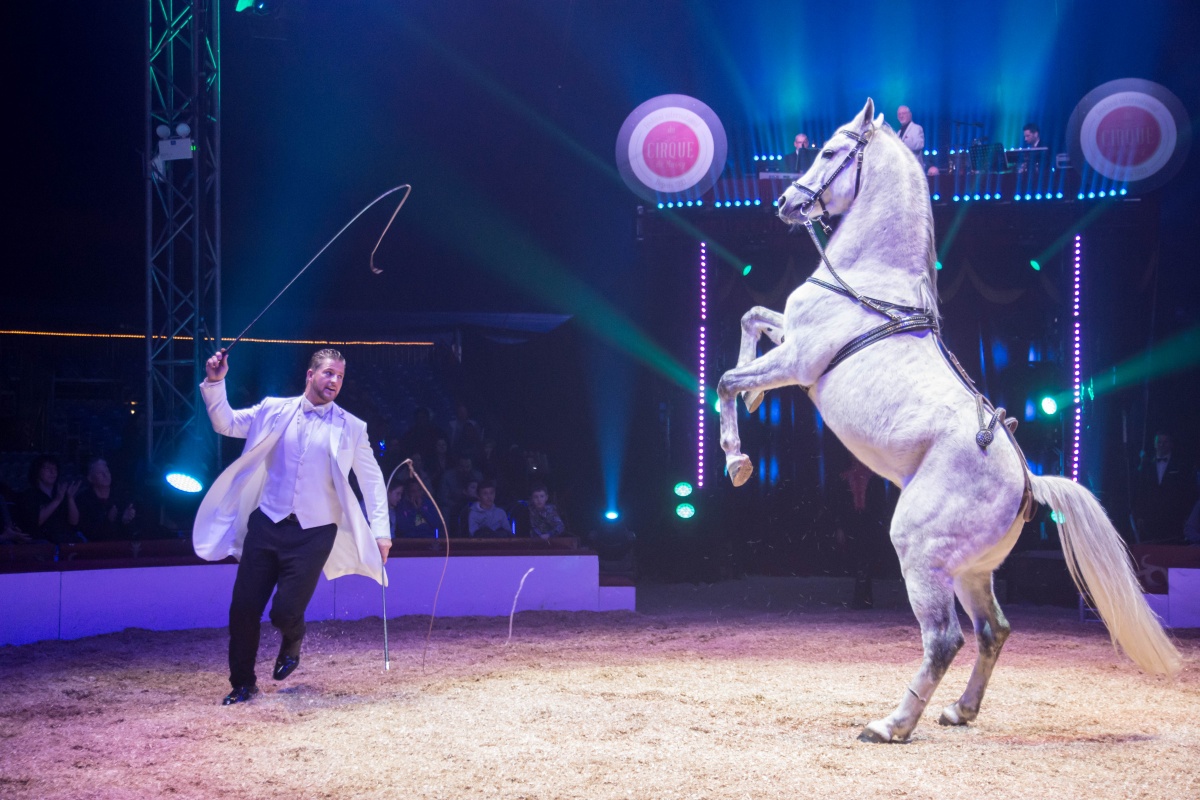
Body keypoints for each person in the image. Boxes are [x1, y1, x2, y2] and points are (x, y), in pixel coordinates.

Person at [193, 348, 391, 706]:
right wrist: (216, 382)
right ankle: (243, 683)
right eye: (328, 373)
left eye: (340, 377)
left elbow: (372, 480)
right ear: (310, 375)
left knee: (284, 611)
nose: (334, 381)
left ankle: (293, 639)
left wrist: (381, 532)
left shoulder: (352, 427)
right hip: (267, 522)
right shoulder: (273, 409)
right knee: (243, 608)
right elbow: (226, 423)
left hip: (315, 532)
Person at [1135, 432, 1195, 542]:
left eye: (1165, 442)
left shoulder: (1180, 466)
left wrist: (1184, 516)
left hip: (1173, 517)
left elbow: (1186, 492)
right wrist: (1140, 515)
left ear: (1171, 444)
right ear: (1154, 444)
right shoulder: (1147, 465)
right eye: (1159, 442)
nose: (1161, 445)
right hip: (1151, 517)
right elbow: (1141, 492)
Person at [15, 455, 80, 544]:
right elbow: (35, 522)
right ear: (37, 471)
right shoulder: (28, 495)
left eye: (55, 469)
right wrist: (57, 500)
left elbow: (74, 522)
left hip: (65, 539)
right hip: (41, 542)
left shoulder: (60, 493)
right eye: (47, 468)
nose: (53, 472)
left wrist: (70, 498)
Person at [75, 458, 137, 542]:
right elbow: (86, 532)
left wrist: (125, 521)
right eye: (100, 473)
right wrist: (108, 521)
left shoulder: (120, 496)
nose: (105, 475)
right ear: (90, 478)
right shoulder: (83, 500)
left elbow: (129, 534)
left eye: (107, 471)